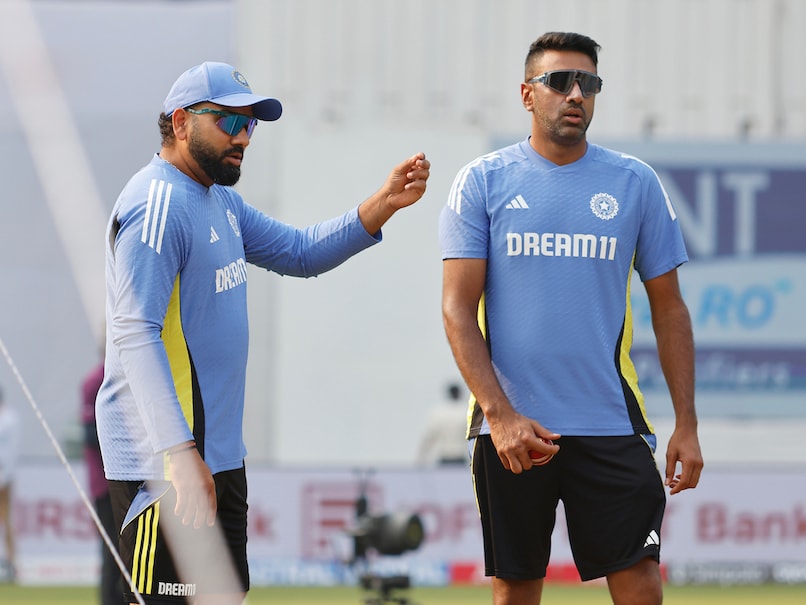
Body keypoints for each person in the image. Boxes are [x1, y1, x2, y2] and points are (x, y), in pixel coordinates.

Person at [95, 61, 429, 605]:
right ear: (180, 122)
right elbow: (134, 333)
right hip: (166, 467)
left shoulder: (219, 199)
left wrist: (384, 203)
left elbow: (300, 252)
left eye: (250, 124)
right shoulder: (156, 203)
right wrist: (180, 454)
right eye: (229, 122)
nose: (244, 138)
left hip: (219, 458)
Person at [438, 32, 703, 605]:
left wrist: (687, 422)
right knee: (516, 591)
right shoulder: (482, 180)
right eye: (560, 82)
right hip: (514, 428)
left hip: (611, 423)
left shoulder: (634, 182)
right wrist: (500, 416)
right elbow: (457, 309)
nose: (576, 95)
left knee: (642, 589)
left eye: (588, 83)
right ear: (527, 94)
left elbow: (670, 307)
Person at [82, 359, 124, 605]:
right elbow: (90, 435)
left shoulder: (131, 374)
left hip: (134, 480)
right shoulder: (94, 381)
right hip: (106, 484)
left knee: (132, 551)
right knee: (112, 551)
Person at [416, 382, 468, 465]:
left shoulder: (438, 413)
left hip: (444, 458)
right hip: (460, 459)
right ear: (459, 393)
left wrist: (421, 459)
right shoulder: (466, 412)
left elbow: (429, 437)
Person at [0, 385, 19, 582]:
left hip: (4, 476)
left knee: (6, 519)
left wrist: (4, 476)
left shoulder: (9, 419)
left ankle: (11, 562)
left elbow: (10, 451)